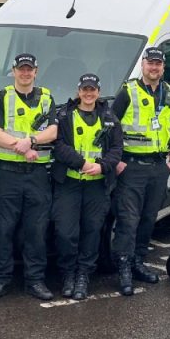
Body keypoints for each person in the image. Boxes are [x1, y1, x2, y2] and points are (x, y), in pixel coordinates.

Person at [0, 53, 57, 302]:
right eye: (21, 69)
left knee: (36, 231)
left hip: (37, 175)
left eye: (30, 69)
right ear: (13, 71)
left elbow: (54, 131)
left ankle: (34, 280)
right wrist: (21, 145)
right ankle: (0, 279)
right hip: (9, 174)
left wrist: (31, 140)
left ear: (36, 71)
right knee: (3, 228)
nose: (25, 73)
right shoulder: (3, 96)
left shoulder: (46, 97)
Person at [110, 46, 170, 296]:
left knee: (149, 219)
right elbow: (110, 127)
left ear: (163, 67)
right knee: (128, 221)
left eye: (158, 64)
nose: (154, 68)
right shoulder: (128, 91)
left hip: (158, 168)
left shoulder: (169, 93)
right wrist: (116, 161)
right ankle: (124, 268)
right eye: (150, 63)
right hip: (131, 167)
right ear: (143, 65)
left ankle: (138, 262)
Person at [49, 73, 123, 300]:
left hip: (97, 185)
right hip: (69, 183)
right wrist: (80, 163)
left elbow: (116, 150)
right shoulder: (64, 115)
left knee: (92, 232)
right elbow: (58, 145)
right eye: (85, 89)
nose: (88, 93)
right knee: (65, 232)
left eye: (93, 89)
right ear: (78, 91)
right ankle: (68, 274)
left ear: (98, 92)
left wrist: (101, 167)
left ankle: (83, 275)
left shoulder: (110, 118)